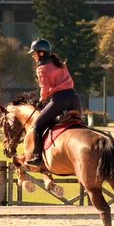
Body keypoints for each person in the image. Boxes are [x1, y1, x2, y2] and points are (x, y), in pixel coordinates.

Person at [26, 38, 82, 167]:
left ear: (40, 53)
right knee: (79, 124)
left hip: (60, 99)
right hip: (74, 97)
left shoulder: (42, 68)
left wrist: (42, 100)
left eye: (33, 53)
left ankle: (37, 157)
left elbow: (44, 87)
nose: (33, 56)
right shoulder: (61, 64)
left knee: (37, 125)